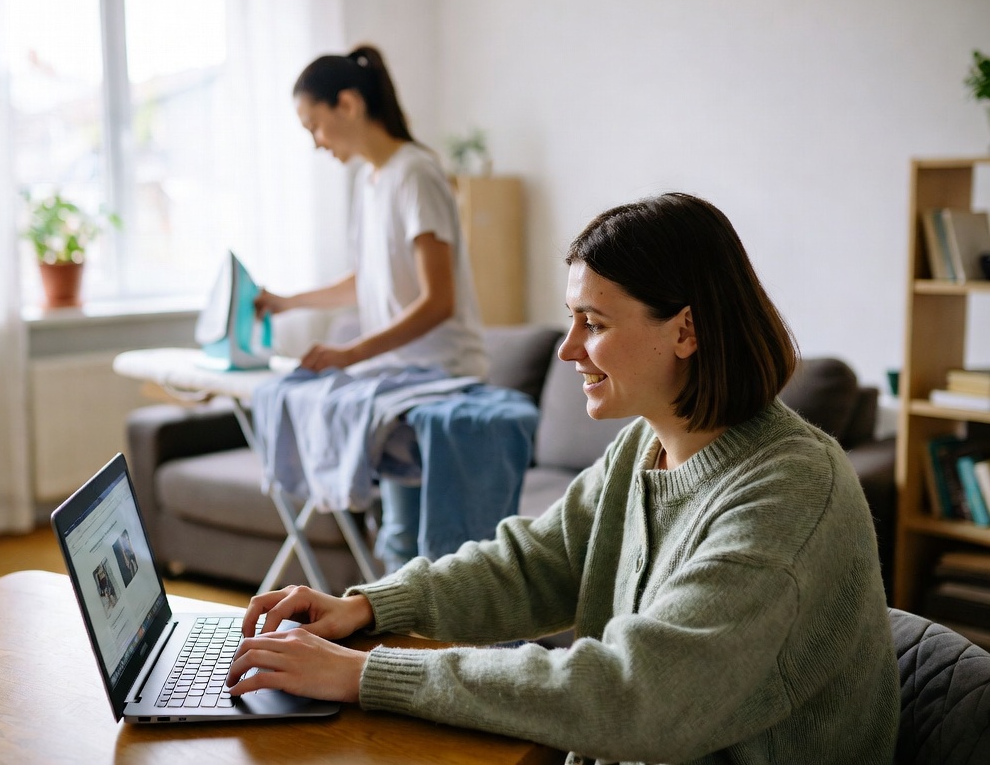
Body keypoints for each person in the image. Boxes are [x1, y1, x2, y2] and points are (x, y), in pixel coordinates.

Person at [228, 193, 900, 764]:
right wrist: (371, 606)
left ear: (687, 330)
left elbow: (638, 693)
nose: (567, 347)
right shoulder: (645, 445)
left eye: (594, 323)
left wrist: (368, 675)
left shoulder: (788, 493)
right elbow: (533, 563)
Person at [253, 45, 495, 572]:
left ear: (348, 104)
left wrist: (352, 352)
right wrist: (287, 302)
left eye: (314, 125)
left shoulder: (416, 175)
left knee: (419, 538)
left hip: (441, 374)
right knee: (397, 535)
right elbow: (369, 280)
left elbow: (438, 301)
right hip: (400, 372)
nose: (316, 143)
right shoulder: (371, 180)